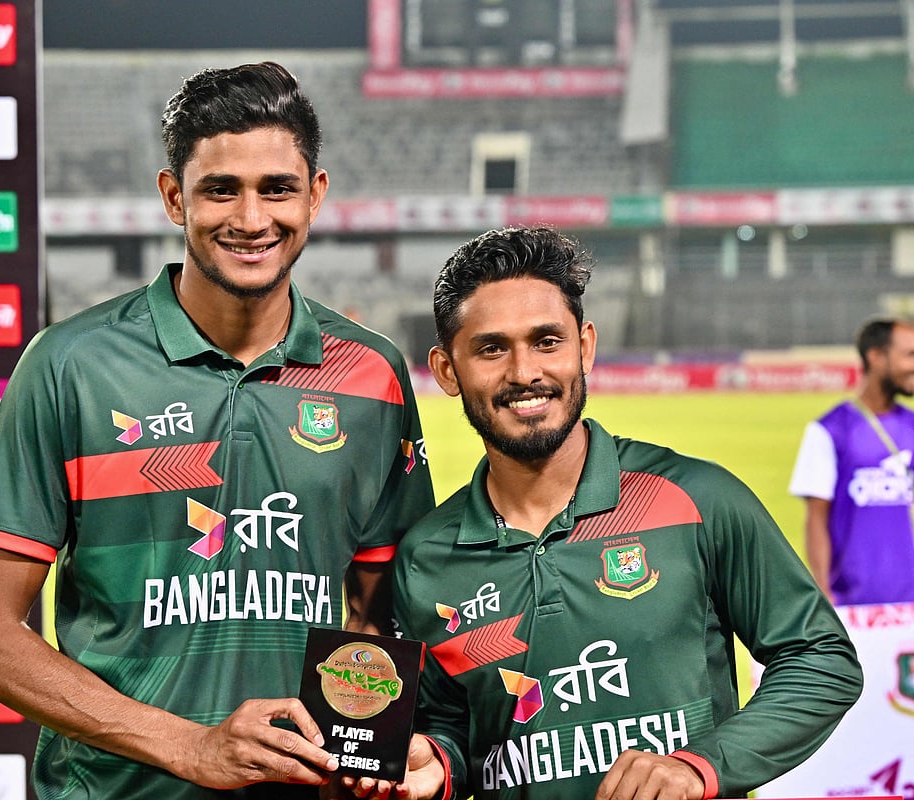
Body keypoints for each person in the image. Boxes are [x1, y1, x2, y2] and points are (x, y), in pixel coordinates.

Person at [0, 62, 435, 800]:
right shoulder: (70, 365)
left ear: (316, 194)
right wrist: (191, 746)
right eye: (220, 190)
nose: (250, 219)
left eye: (277, 188)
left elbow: (380, 619)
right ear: (174, 196)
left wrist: (369, 754)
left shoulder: (373, 376)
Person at [345, 227, 862, 800]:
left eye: (547, 341)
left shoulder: (696, 499)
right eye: (492, 348)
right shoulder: (427, 554)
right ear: (447, 370)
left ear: (584, 347)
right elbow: (455, 722)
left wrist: (699, 767)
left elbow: (819, 657)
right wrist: (437, 760)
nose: (523, 372)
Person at [789, 317, 914, 605]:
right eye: (909, 355)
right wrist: (823, 592)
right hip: (853, 606)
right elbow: (816, 516)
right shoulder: (829, 430)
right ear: (876, 357)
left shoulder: (911, 425)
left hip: (909, 604)